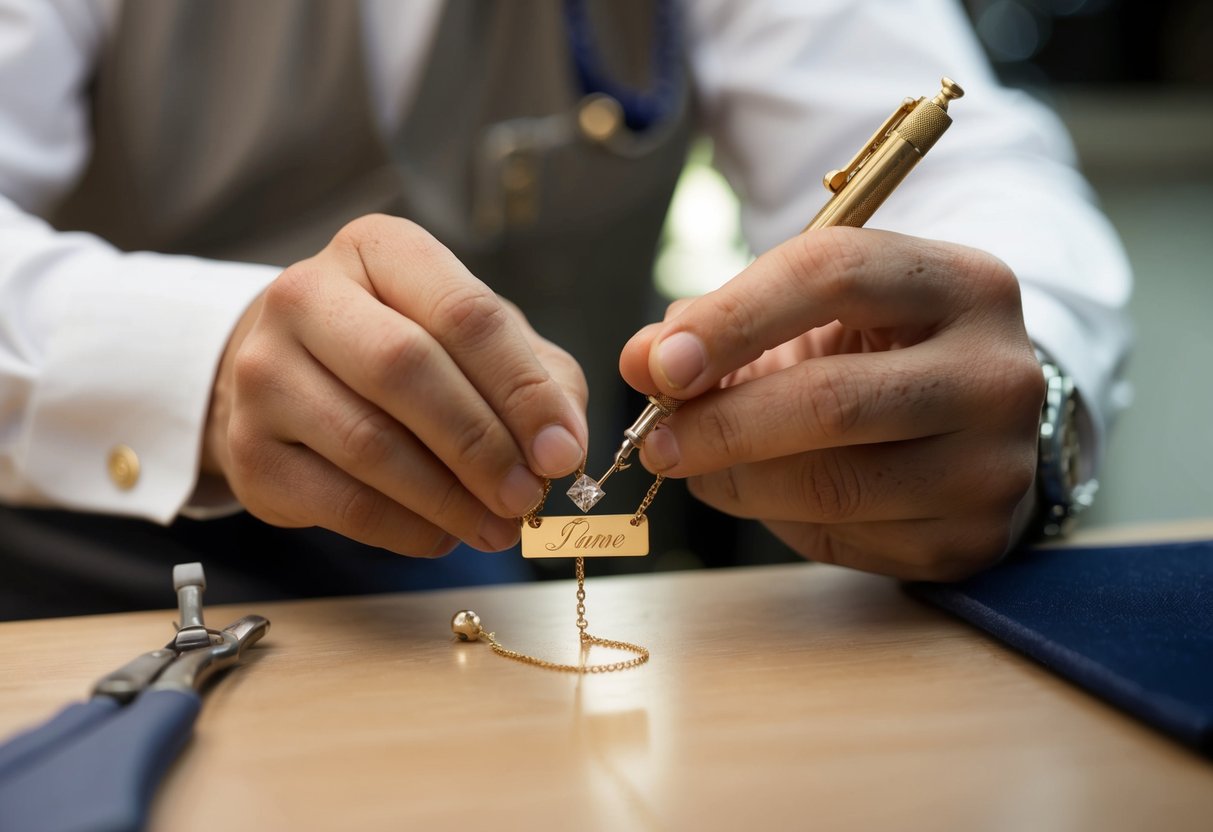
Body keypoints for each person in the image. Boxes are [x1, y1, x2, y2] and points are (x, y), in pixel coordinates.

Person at [0, 0, 1131, 618]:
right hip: (64, 573)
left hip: (495, 595)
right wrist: (204, 356)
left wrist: (1023, 392)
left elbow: (983, 183)